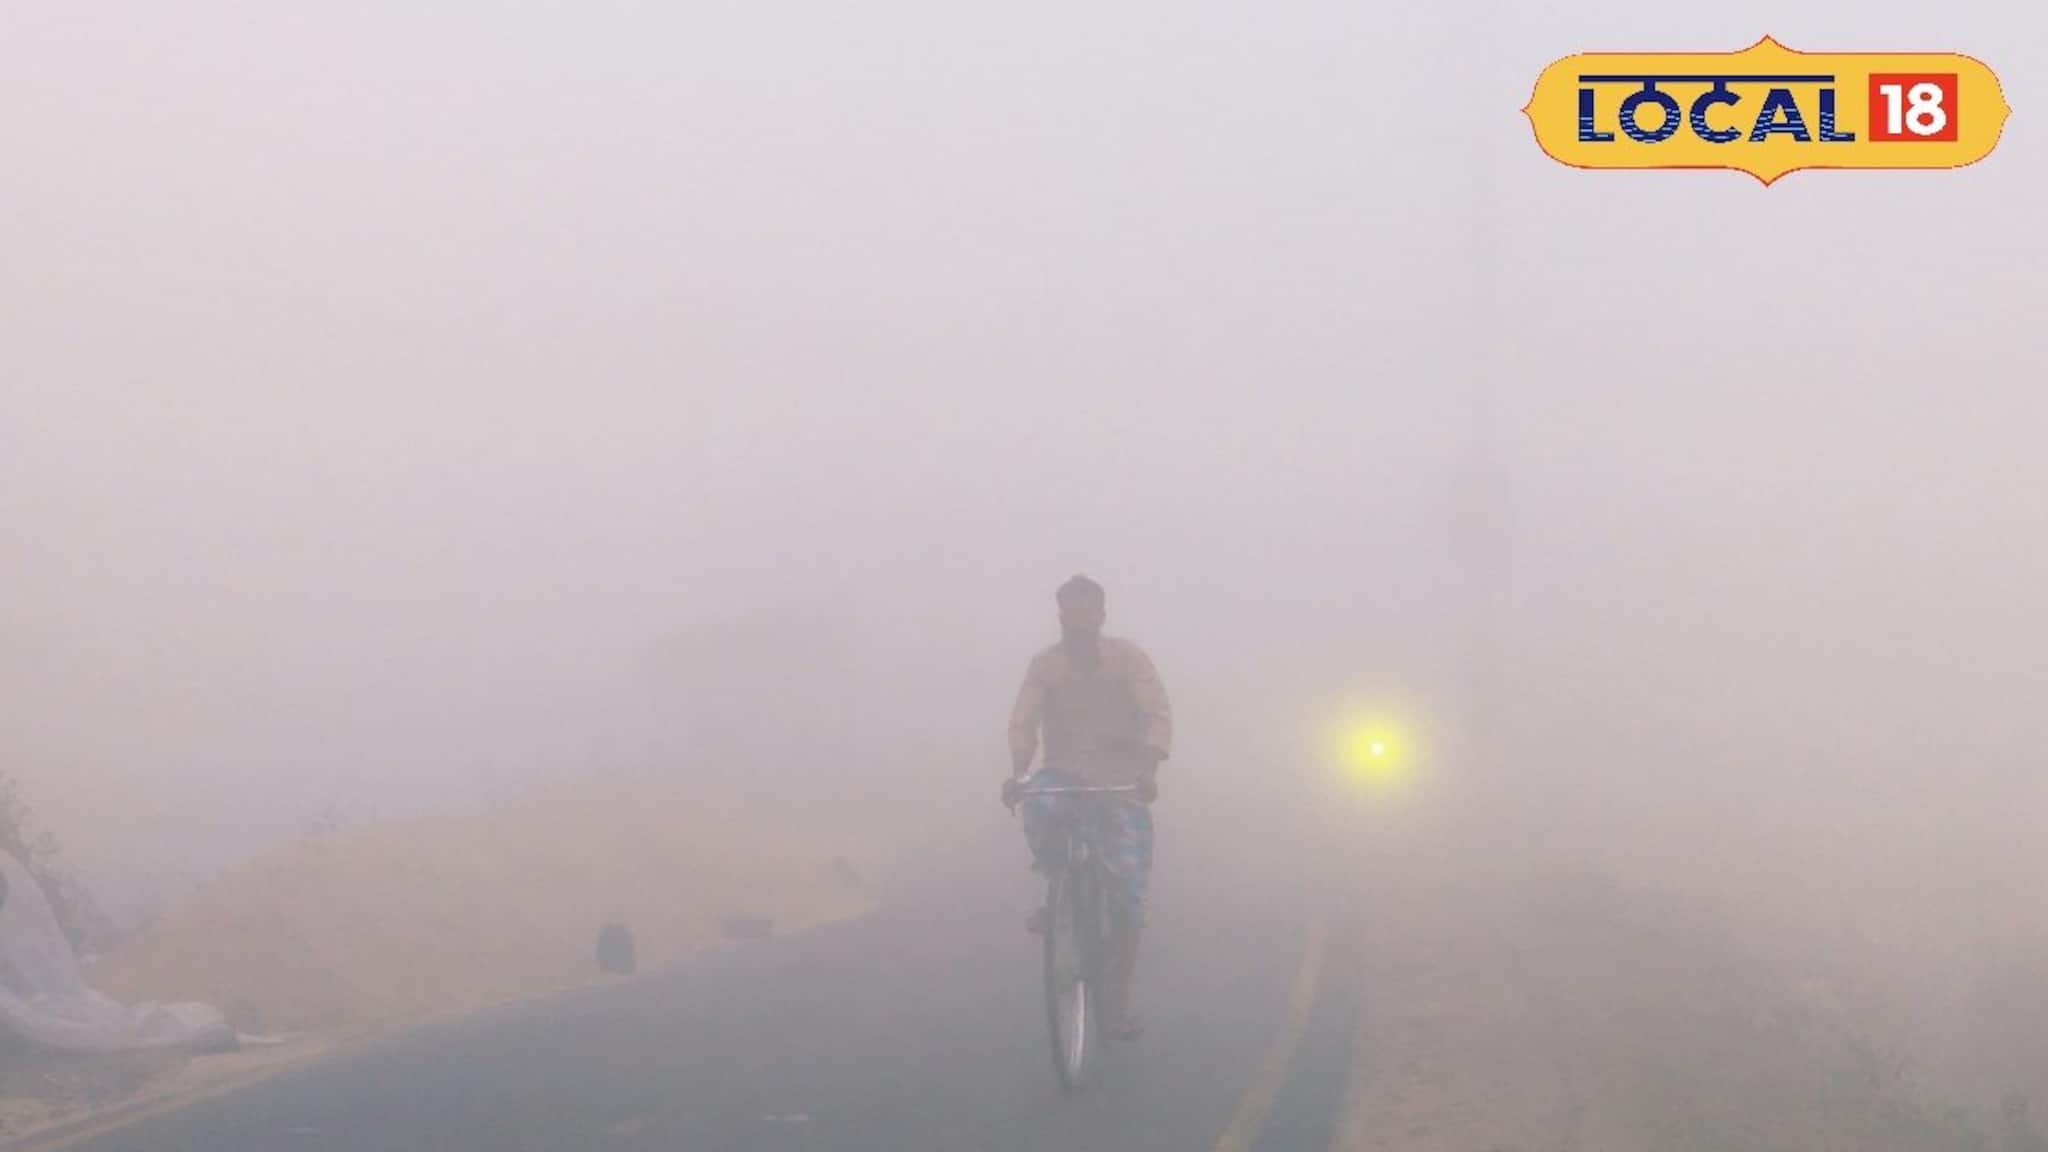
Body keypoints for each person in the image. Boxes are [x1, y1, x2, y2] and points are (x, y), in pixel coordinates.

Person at [1003, 574, 1171, 1041]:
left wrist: (1148, 770)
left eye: (1086, 612)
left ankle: (1115, 1005)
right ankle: (1058, 893)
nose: (1078, 621)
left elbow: (1156, 715)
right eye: (1069, 612)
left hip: (1120, 785)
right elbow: (1023, 722)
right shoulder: (1045, 666)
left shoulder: (1129, 659)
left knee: (1129, 905)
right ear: (1060, 616)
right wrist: (1018, 772)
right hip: (1063, 776)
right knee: (1038, 803)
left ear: (1101, 615)